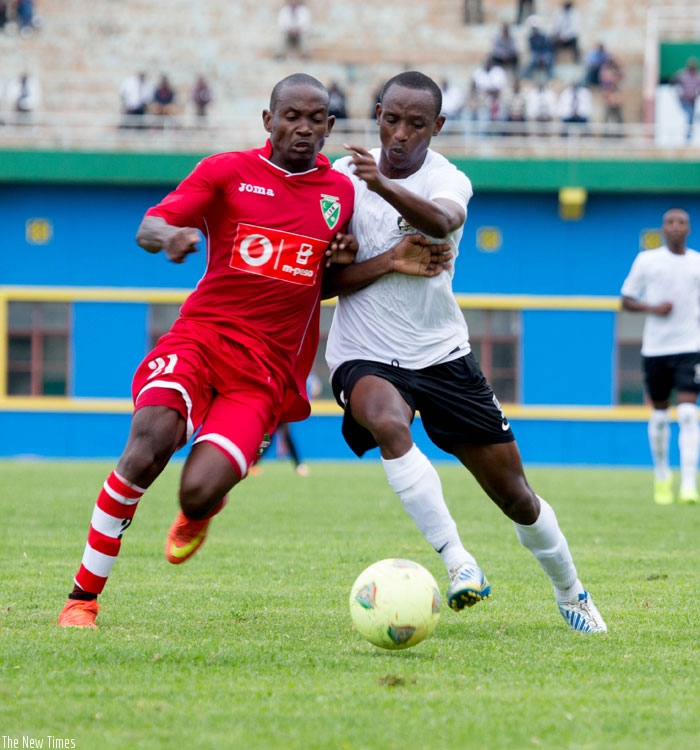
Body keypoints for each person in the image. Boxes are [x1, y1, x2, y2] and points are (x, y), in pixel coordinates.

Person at [57, 73, 447, 630]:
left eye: (316, 119)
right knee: (150, 443)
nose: (303, 128)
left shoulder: (338, 193)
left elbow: (327, 278)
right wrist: (170, 238)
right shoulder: (226, 171)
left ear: (331, 127)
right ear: (268, 120)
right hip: (200, 340)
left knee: (196, 492)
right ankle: (82, 599)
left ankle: (200, 511)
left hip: (264, 374)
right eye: (291, 116)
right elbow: (152, 223)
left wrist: (363, 257)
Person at [324, 70, 607, 633]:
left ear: (438, 126)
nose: (400, 133)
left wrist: (380, 185)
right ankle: (459, 563)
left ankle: (571, 592)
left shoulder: (447, 179)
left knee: (518, 499)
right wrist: (375, 260)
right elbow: (322, 284)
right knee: (387, 422)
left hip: (443, 355)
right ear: (377, 113)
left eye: (416, 123)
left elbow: (444, 221)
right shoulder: (337, 181)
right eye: (391, 119)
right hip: (364, 352)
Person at [620, 208, 700, 506]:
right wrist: (652, 308)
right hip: (655, 349)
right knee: (660, 416)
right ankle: (663, 475)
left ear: (689, 229)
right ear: (663, 229)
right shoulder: (647, 260)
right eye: (670, 222)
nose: (676, 227)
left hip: (691, 348)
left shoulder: (697, 263)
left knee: (690, 414)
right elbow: (626, 299)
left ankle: (690, 484)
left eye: (682, 222)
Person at [671, 57, 700, 142]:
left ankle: (688, 135)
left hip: (692, 101)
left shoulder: (697, 76)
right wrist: (677, 92)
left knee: (691, 115)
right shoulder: (683, 75)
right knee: (690, 114)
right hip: (683, 100)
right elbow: (673, 82)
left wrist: (697, 94)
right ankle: (688, 137)